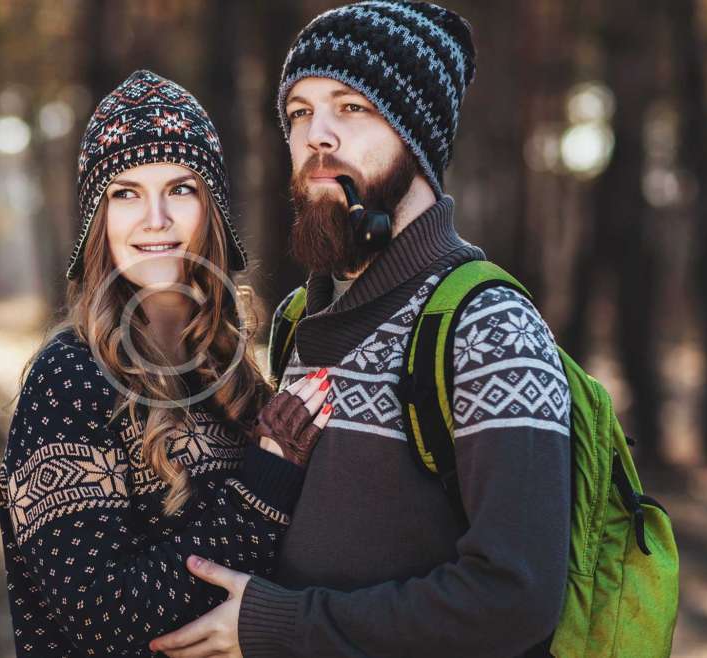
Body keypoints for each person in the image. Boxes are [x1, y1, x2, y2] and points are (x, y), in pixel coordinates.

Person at [151, 3, 573, 657]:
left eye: (351, 107)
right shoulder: (298, 320)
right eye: (299, 111)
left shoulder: (487, 326)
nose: (316, 134)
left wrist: (281, 627)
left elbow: (515, 599)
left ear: (416, 134)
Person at [0, 69, 332, 657]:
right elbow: (105, 619)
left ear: (213, 209)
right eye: (125, 192)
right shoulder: (70, 380)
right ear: (97, 221)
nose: (156, 219)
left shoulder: (233, 380)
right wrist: (264, 483)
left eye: (181, 189)